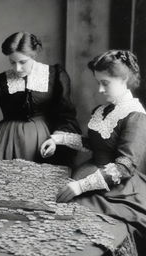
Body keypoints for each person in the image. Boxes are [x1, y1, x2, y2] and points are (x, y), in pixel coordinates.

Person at [54, 50, 146, 255]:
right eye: (98, 83)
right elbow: (95, 144)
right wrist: (60, 139)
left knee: (90, 238)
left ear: (125, 79)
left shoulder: (135, 115)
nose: (100, 89)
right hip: (88, 172)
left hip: (117, 187)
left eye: (105, 83)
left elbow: (125, 165)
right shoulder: (103, 109)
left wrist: (82, 185)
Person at [0, 31, 80, 164]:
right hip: (8, 141)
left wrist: (55, 140)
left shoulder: (55, 75)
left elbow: (66, 114)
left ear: (34, 55)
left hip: (45, 139)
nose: (18, 68)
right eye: (12, 62)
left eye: (23, 62)